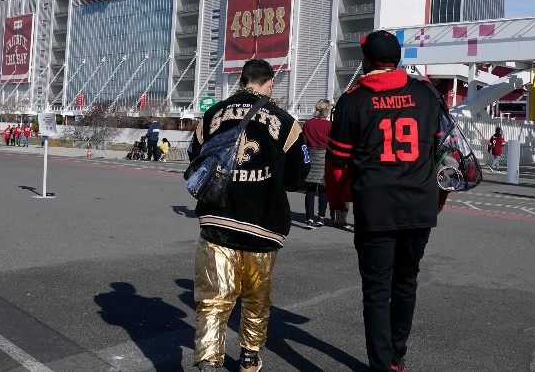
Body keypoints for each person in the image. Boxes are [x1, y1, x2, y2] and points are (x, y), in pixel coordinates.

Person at [325, 30, 448, 372]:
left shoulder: (353, 100)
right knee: (406, 282)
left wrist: (338, 201)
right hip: (419, 204)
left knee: (377, 291)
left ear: (367, 61)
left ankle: (380, 364)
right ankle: (397, 357)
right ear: (396, 59)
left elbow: (337, 163)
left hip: (375, 205)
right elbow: (445, 155)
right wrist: (438, 198)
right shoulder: (427, 94)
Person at [188, 59, 309, 372]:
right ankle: (249, 357)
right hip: (263, 225)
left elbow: (196, 158)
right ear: (269, 82)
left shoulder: (212, 115)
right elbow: (298, 175)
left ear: (242, 80)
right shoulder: (285, 121)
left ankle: (208, 361)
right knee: (256, 297)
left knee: (214, 298)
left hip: (217, 219)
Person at [302, 99, 332, 228]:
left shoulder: (307, 123)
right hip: (325, 157)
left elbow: (304, 141)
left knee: (310, 189)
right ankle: (321, 217)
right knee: (324, 189)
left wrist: (305, 157)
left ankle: (309, 218)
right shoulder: (330, 125)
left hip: (310, 156)